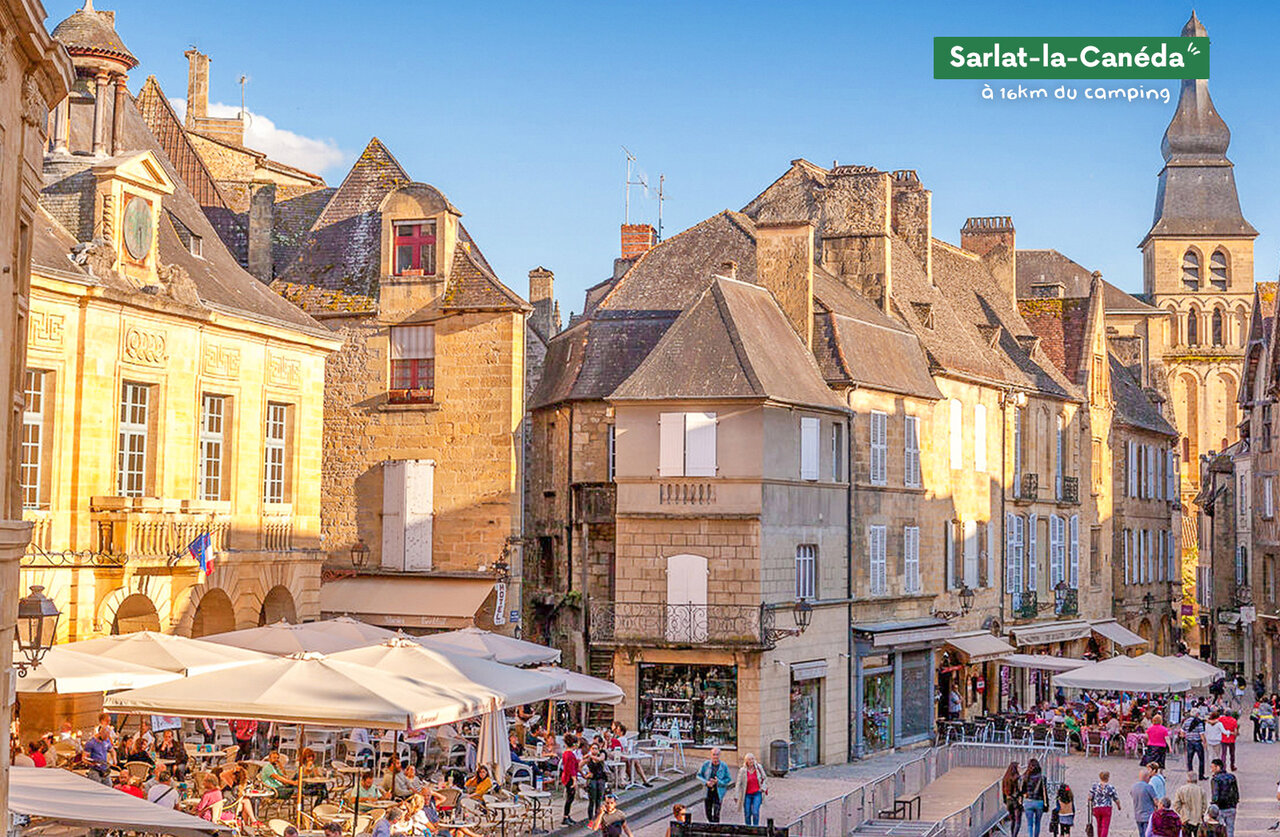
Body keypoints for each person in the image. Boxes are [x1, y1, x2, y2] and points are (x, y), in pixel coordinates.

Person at [697, 747, 732, 824]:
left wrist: (718, 782)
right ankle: (710, 825)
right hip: (708, 791)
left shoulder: (723, 766)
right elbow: (698, 776)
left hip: (718, 792)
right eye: (714, 754)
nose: (715, 756)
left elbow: (728, 779)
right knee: (708, 812)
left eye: (717, 755)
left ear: (720, 755)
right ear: (711, 755)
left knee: (716, 813)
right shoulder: (706, 765)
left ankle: (716, 828)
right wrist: (706, 782)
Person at [733, 753, 768, 826]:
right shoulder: (742, 770)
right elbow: (738, 783)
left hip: (757, 793)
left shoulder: (758, 768)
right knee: (747, 813)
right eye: (749, 759)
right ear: (746, 761)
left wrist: (763, 788)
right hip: (747, 794)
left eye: (752, 759)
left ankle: (756, 828)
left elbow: (765, 778)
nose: (751, 761)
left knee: (755, 812)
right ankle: (748, 828)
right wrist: (736, 795)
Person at [1209, 759, 1238, 837]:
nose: (1211, 770)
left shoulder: (1215, 780)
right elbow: (1236, 792)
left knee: (1220, 831)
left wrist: (1213, 806)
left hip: (1221, 808)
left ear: (1218, 767)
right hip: (1231, 807)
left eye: (1212, 767)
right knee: (1230, 829)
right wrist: (1235, 802)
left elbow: (1215, 795)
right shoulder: (1232, 777)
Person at [1173, 772, 1208, 837]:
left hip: (1185, 819)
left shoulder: (1181, 790)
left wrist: (1182, 812)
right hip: (1197, 819)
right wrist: (1201, 813)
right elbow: (1204, 805)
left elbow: (1176, 804)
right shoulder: (1201, 790)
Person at [1088, 770, 1121, 837]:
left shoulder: (1095, 786)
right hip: (1106, 808)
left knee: (1099, 825)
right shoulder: (1110, 787)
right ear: (1108, 778)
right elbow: (1115, 798)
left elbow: (1089, 797)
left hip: (1096, 808)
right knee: (1105, 826)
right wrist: (1119, 806)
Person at [1021, 758, 1048, 837]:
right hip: (1039, 801)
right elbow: (1044, 792)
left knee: (1029, 824)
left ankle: (1030, 835)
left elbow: (1022, 790)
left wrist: (1025, 794)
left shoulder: (1026, 777)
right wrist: (1046, 804)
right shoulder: (1042, 778)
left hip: (1028, 801)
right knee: (1037, 823)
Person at [583, 743, 609, 823]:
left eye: (596, 748)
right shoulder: (588, 759)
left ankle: (598, 818)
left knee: (599, 799)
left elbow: (600, 759)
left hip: (601, 779)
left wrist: (590, 756)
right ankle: (590, 819)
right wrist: (584, 775)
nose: (594, 750)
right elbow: (579, 765)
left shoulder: (601, 755)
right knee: (592, 800)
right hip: (592, 780)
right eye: (593, 748)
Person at [1132, 766, 1159, 837]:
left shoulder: (1134, 787)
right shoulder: (1148, 787)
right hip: (1148, 816)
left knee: (1141, 834)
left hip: (1138, 815)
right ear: (1147, 777)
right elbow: (1156, 801)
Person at [560, 733, 581, 826]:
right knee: (570, 797)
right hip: (569, 778)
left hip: (566, 776)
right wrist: (574, 780)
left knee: (570, 797)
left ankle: (567, 815)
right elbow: (571, 768)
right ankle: (565, 816)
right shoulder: (570, 755)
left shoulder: (567, 753)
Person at [1003, 762, 1024, 837]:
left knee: (1013, 821)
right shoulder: (1017, 778)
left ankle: (1012, 835)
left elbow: (1003, 791)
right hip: (1016, 801)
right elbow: (1020, 790)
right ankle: (1014, 835)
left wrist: (1005, 801)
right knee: (1018, 821)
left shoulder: (1005, 778)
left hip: (1008, 800)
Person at [1184, 711, 1206, 780]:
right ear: (1196, 714)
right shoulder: (1199, 722)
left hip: (1189, 742)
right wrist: (1204, 743)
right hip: (1198, 742)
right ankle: (1201, 776)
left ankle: (1190, 775)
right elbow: (1201, 734)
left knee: (1189, 760)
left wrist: (1187, 737)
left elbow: (1182, 732)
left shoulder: (1186, 721)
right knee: (1201, 759)